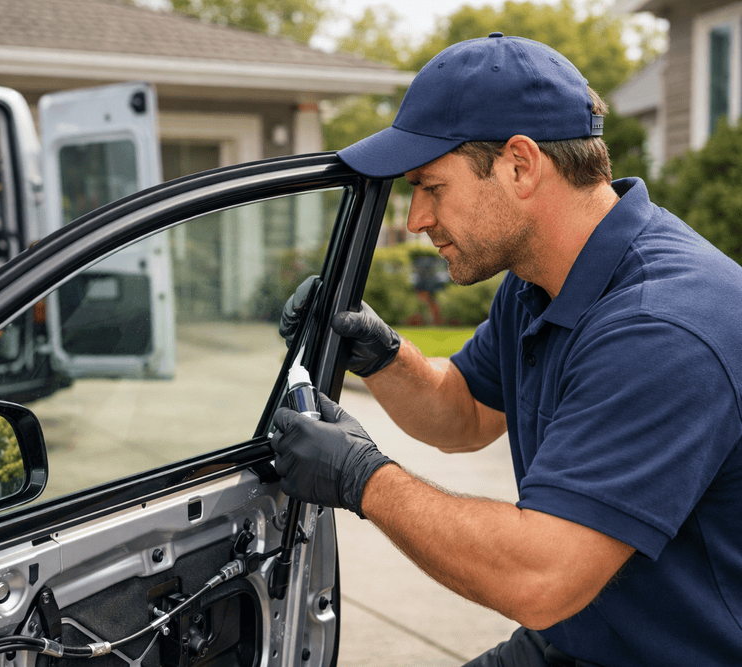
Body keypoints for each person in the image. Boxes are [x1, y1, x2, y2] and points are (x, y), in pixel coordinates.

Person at [271, 33, 742, 666]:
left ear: (520, 165)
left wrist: (362, 478)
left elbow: (540, 577)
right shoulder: (540, 282)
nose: (416, 219)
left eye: (431, 186)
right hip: (582, 639)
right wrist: (382, 355)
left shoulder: (661, 327)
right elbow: (465, 414)